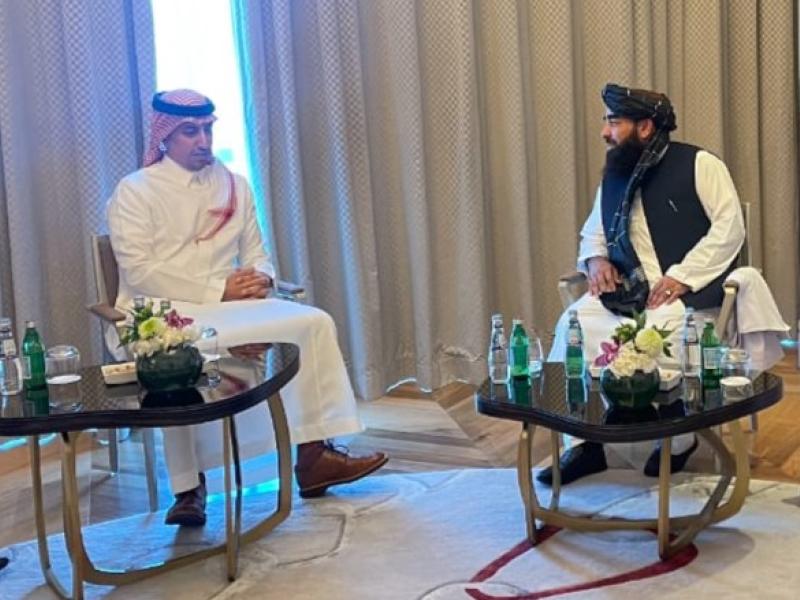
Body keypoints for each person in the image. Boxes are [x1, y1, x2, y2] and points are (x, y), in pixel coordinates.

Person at [107, 89, 388, 526]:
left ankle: (314, 455)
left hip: (233, 306)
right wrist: (219, 289)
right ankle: (188, 487)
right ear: (164, 136)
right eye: (190, 132)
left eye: (208, 129)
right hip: (161, 311)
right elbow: (141, 271)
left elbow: (258, 253)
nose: (203, 140)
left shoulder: (234, 183)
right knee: (176, 352)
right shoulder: (135, 190)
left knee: (314, 323)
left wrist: (262, 280)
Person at [542, 83, 747, 486]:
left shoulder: (700, 164)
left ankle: (678, 441)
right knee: (572, 328)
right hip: (626, 293)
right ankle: (584, 445)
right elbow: (594, 232)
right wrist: (596, 259)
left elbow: (730, 228)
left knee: (659, 336)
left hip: (683, 293)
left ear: (645, 127)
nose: (605, 132)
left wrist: (682, 276)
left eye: (614, 122)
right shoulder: (615, 175)